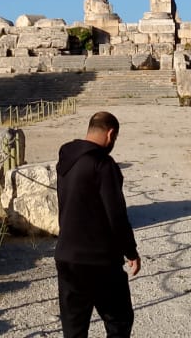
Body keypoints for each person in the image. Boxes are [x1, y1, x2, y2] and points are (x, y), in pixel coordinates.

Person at [55, 111, 141, 338]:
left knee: (74, 330)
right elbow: (116, 214)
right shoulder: (103, 164)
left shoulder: (65, 158)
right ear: (110, 134)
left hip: (66, 256)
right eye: (115, 138)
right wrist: (130, 250)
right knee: (119, 321)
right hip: (98, 259)